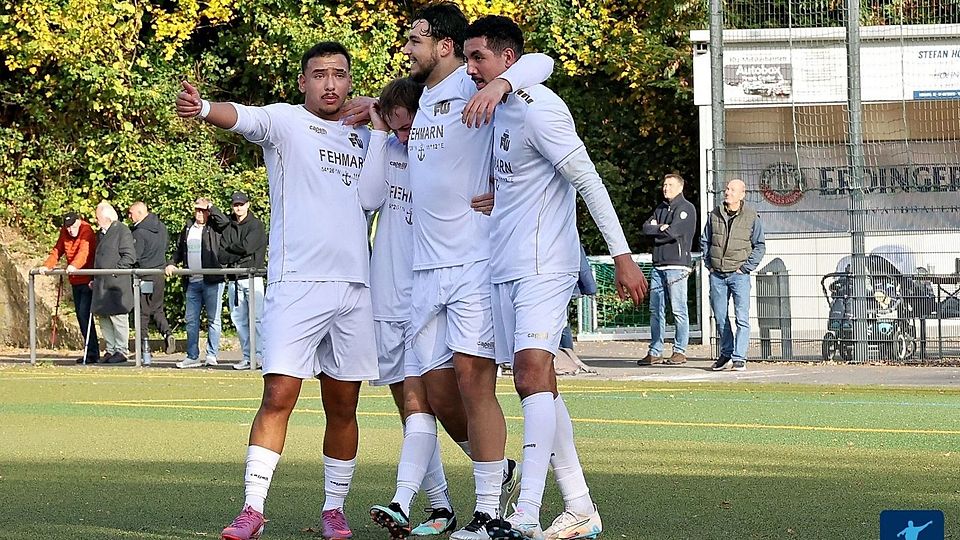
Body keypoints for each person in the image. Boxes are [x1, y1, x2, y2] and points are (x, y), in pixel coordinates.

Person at [176, 41, 378, 540]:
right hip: (297, 285)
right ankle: (252, 508)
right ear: (303, 81)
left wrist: (379, 118)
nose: (329, 83)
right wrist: (203, 108)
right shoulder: (286, 122)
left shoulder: (369, 135)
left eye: (338, 74)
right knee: (278, 393)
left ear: (350, 80)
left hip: (356, 288)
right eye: (318, 74)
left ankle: (334, 510)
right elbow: (239, 117)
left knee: (343, 405)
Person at [461, 16, 648, 540]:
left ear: (507, 62)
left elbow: (587, 180)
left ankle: (523, 514)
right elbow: (527, 179)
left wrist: (623, 254)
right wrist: (501, 200)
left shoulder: (541, 109)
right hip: (505, 265)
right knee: (536, 384)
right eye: (469, 58)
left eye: (480, 59)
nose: (471, 69)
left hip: (546, 263)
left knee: (529, 375)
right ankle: (581, 507)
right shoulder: (495, 108)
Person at [391, 4, 556, 539]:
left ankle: (488, 511)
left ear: (443, 45)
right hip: (424, 267)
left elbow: (544, 63)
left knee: (473, 382)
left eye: (415, 39)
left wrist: (499, 85)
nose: (407, 48)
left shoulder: (472, 81)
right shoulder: (422, 97)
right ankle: (499, 470)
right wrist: (374, 105)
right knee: (438, 393)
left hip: (473, 263)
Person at [361, 78, 460, 538]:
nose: (404, 136)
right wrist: (381, 131)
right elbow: (366, 199)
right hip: (387, 298)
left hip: (428, 299)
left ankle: (486, 468)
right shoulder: (387, 148)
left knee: (427, 401)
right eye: (397, 127)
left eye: (409, 126)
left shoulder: (447, 157)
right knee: (410, 409)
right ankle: (441, 506)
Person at [701, 178, 766, 372]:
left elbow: (759, 246)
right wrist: (709, 264)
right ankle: (726, 353)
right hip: (717, 275)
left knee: (742, 318)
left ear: (742, 194)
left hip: (739, 275)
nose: (727, 192)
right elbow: (705, 240)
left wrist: (745, 268)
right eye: (727, 189)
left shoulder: (752, 216)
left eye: (732, 190)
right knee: (720, 317)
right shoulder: (714, 214)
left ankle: (740, 357)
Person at [638, 173, 697, 366]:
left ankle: (680, 351)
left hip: (677, 266)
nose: (666, 188)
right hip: (658, 265)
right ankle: (655, 351)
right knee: (656, 309)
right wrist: (660, 228)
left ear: (680, 187)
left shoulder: (686, 208)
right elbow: (646, 228)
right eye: (664, 185)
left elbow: (673, 233)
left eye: (670, 185)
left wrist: (662, 229)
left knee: (679, 309)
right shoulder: (661, 208)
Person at [208, 191, 267, 370]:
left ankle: (260, 356)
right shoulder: (228, 228)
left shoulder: (257, 225)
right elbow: (222, 255)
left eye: (241, 204)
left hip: (253, 278)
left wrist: (234, 251)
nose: (238, 207)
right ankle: (248, 356)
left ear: (248, 205)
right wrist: (238, 251)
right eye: (235, 205)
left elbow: (249, 247)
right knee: (239, 320)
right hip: (234, 279)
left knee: (257, 319)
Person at [165, 197, 224, 369]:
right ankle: (192, 356)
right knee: (191, 320)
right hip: (192, 282)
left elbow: (224, 222)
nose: (199, 213)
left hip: (212, 281)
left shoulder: (214, 227)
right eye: (197, 209)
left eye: (203, 210)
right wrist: (171, 262)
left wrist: (211, 207)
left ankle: (212, 355)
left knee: (214, 319)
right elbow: (178, 250)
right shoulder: (188, 227)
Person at [40, 211, 99, 363]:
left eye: (73, 226)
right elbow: (57, 250)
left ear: (79, 221)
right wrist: (48, 265)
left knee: (84, 314)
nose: (70, 230)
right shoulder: (65, 231)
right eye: (68, 227)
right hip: (75, 280)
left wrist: (74, 265)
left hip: (87, 279)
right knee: (81, 316)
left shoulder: (87, 231)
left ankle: (92, 352)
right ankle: (90, 351)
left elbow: (84, 252)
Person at [128, 201, 176, 360]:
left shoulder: (139, 232)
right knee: (157, 309)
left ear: (140, 213)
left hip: (144, 276)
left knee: (142, 312)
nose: (129, 216)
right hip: (159, 274)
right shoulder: (161, 227)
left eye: (131, 213)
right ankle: (167, 333)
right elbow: (166, 246)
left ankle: (144, 347)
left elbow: (135, 256)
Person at [91, 201, 136, 364]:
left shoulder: (122, 230)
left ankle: (121, 350)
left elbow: (129, 256)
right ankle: (110, 349)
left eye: (98, 217)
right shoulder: (100, 234)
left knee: (118, 318)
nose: (96, 220)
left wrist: (114, 271)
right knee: (104, 318)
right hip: (101, 283)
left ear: (106, 217)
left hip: (117, 284)